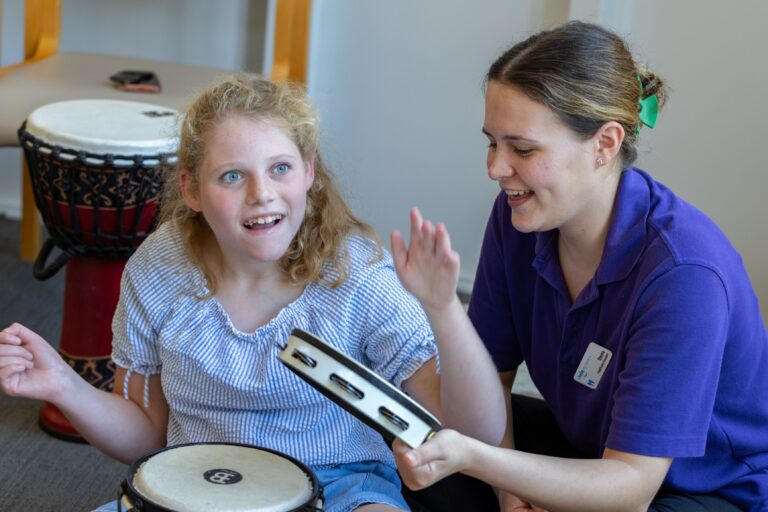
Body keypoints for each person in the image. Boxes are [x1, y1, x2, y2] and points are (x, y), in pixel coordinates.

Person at [0, 75, 503, 512]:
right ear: (191, 190)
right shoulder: (157, 269)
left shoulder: (359, 275)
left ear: (308, 172)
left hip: (343, 485)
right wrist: (63, 386)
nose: (261, 193)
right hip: (198, 481)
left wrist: (443, 310)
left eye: (280, 168)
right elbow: (146, 436)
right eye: (232, 175)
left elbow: (473, 433)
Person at [390, 21, 768, 512]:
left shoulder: (684, 273)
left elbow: (630, 490)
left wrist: (486, 464)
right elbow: (486, 401)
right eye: (492, 143)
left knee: (461, 460)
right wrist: (442, 309)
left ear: (605, 144)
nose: (496, 169)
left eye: (522, 149)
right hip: (590, 451)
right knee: (420, 456)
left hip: (700, 491)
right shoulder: (518, 220)